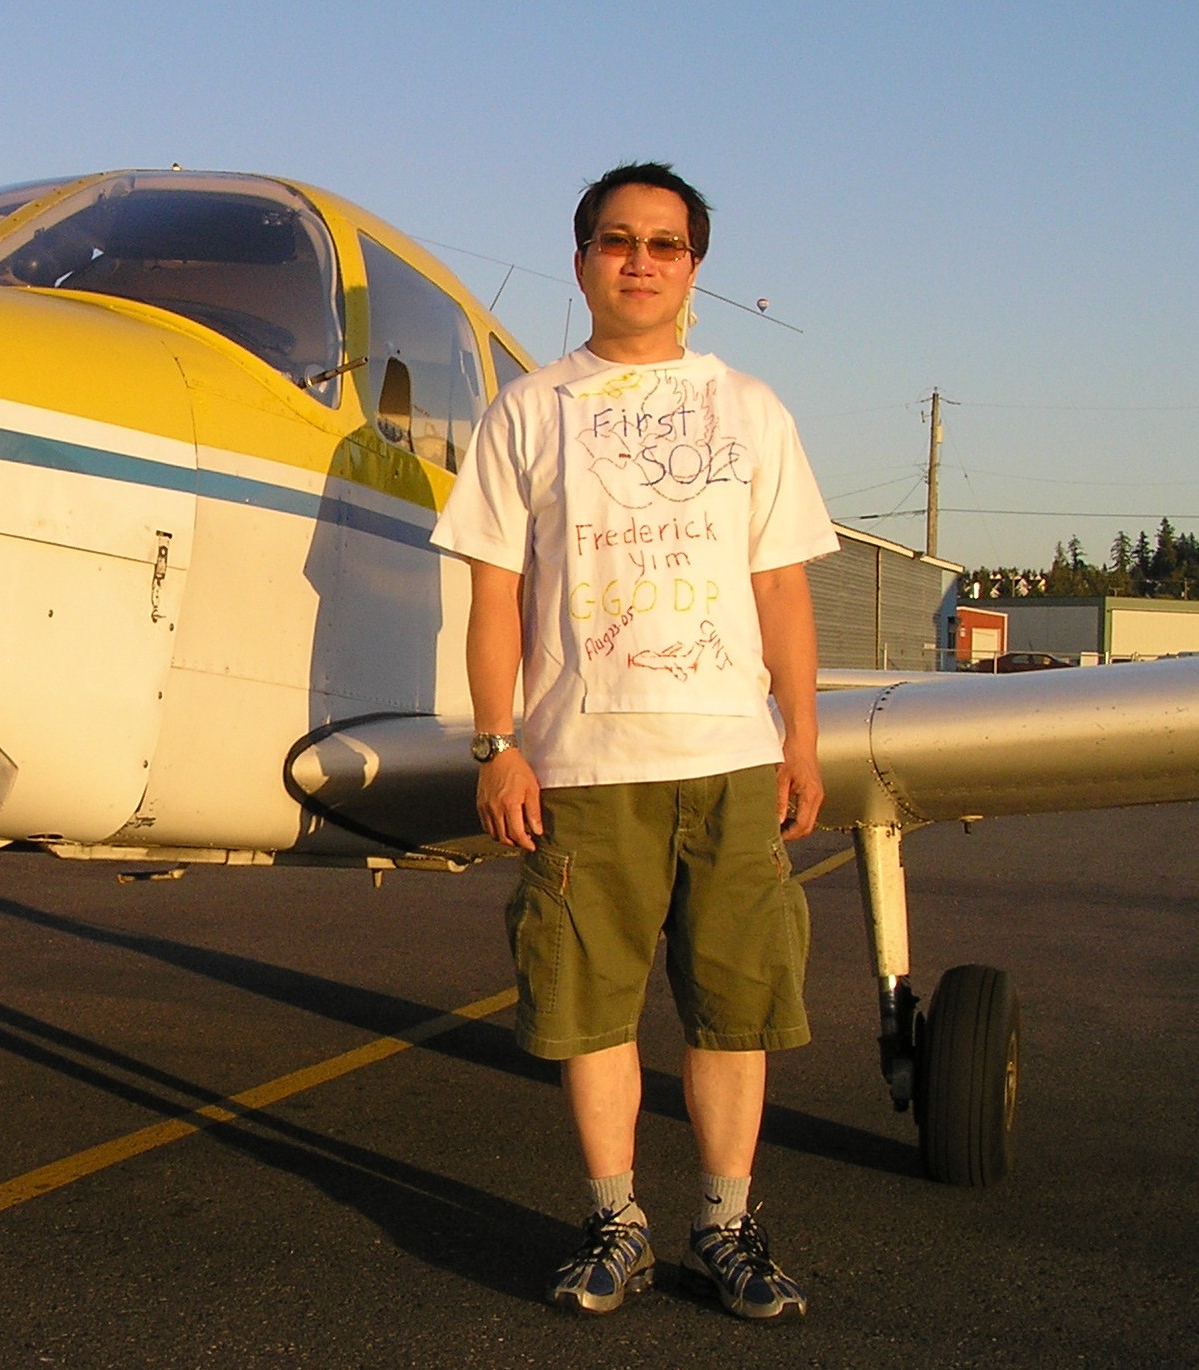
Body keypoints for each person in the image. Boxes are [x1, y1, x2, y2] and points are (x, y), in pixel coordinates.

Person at [430, 162, 837, 1320]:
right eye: (617, 241)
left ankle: (724, 1223)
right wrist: (495, 742)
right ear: (581, 264)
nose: (639, 261)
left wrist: (799, 740)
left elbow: (781, 592)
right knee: (590, 1006)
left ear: (692, 269)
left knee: (734, 1005)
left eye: (663, 244)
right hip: (584, 764)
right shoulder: (527, 410)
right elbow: (495, 594)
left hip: (727, 756)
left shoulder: (750, 409)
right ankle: (614, 1218)